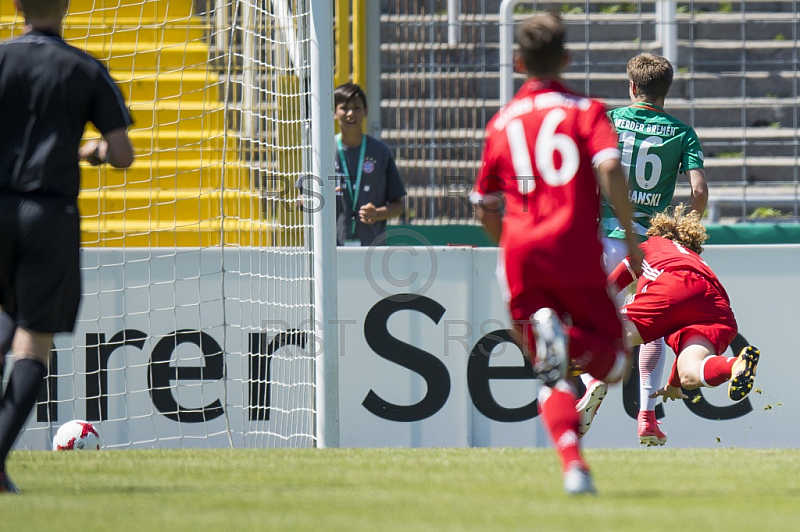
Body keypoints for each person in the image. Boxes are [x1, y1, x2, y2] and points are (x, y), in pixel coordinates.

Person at [471, 12, 642, 495]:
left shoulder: (501, 122)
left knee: (549, 370)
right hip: (574, 248)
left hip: (521, 251)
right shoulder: (587, 110)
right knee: (612, 365)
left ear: (517, 61)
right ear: (567, 59)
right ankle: (563, 336)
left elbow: (484, 205)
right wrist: (629, 235)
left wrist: (508, 244)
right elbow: (609, 168)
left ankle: (573, 466)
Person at [0, 0, 133, 493]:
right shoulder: (83, 67)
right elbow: (121, 153)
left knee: (6, 318)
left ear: (16, 6)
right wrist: (95, 150)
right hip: (49, 213)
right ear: (66, 7)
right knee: (34, 342)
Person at [576, 53, 709, 446]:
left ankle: (591, 382)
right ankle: (647, 416)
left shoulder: (609, 120)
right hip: (651, 244)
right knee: (654, 329)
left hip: (603, 235)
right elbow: (699, 191)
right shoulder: (682, 133)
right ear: (667, 91)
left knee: (591, 320)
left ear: (632, 86)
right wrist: (684, 231)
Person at [607, 205, 760, 412]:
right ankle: (734, 365)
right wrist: (673, 385)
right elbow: (684, 304)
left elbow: (611, 285)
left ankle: (567, 365)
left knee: (607, 331)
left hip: (672, 286)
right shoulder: (697, 259)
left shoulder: (651, 244)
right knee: (690, 374)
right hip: (714, 303)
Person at [299, 82, 406, 246]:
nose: (350, 113)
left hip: (371, 250)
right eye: (344, 108)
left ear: (366, 111)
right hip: (330, 251)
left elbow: (398, 205)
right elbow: (301, 200)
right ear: (334, 113)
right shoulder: (321, 151)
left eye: (356, 108)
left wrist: (377, 213)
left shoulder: (380, 152)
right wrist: (316, 199)